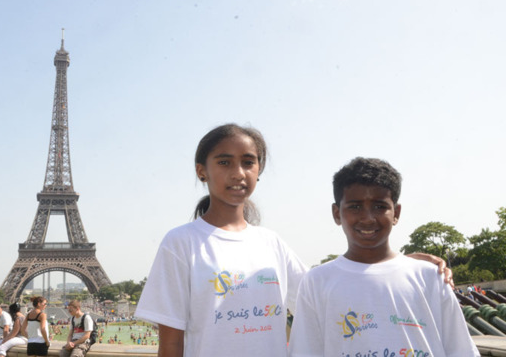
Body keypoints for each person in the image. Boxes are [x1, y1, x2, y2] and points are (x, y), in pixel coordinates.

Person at [135, 124, 456, 357]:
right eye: (224, 162)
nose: (238, 172)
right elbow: (172, 342)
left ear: (258, 171)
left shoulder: (270, 243)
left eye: (248, 162)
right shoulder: (181, 243)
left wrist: (400, 264)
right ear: (201, 171)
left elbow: (331, 290)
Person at [288, 157, 479, 356]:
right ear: (337, 214)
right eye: (355, 206)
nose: (368, 218)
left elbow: (461, 350)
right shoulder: (317, 282)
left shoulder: (430, 277)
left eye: (380, 206)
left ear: (396, 213)